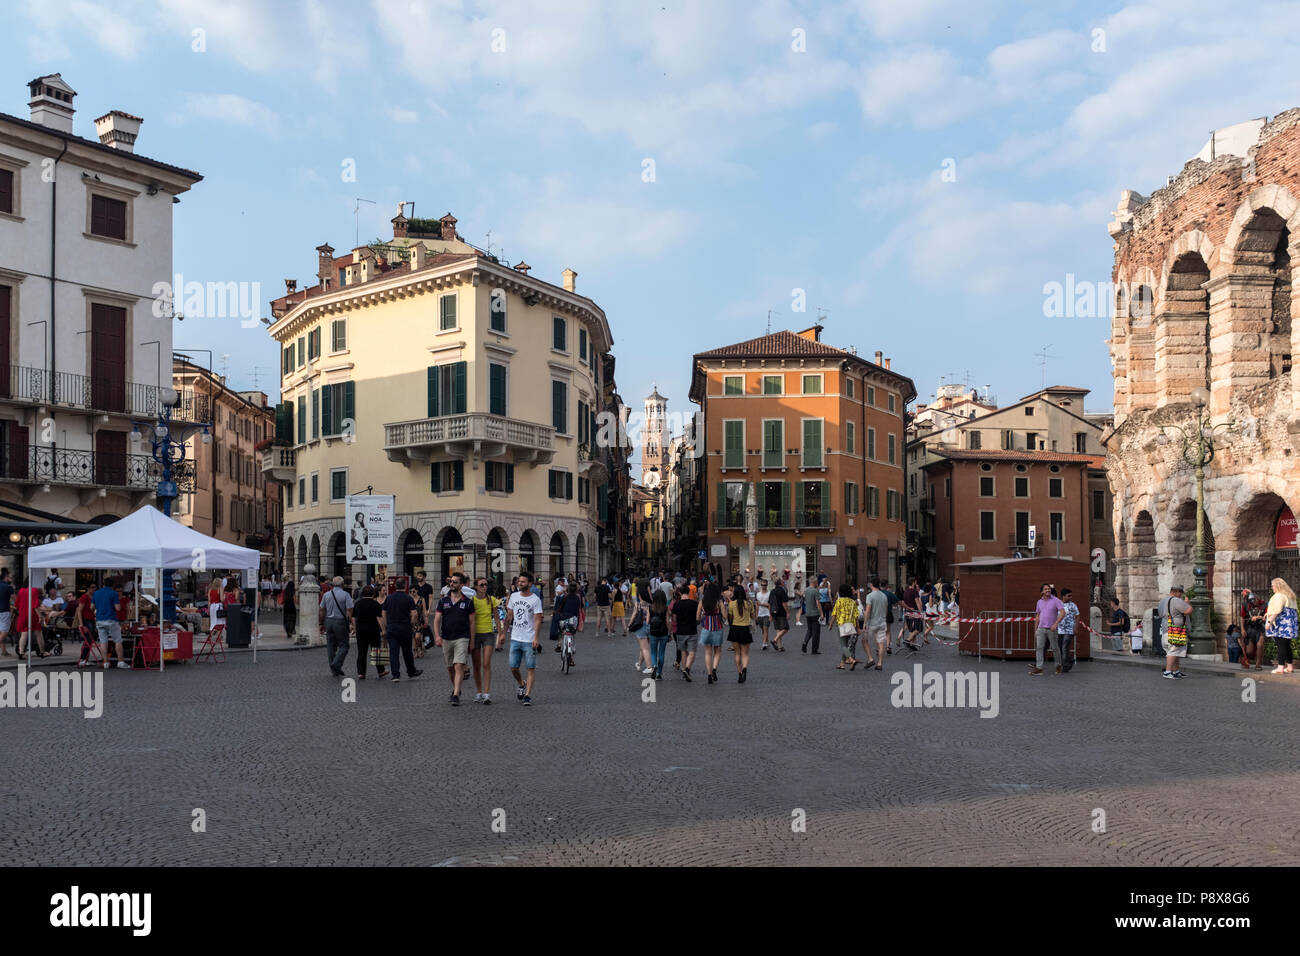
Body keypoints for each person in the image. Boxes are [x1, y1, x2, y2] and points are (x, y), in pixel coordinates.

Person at [434, 572, 474, 705]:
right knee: (450, 667)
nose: (452, 584)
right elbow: (437, 620)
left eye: (455, 582)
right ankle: (456, 688)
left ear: (461, 585)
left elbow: (472, 623)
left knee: (458, 665)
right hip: (446, 638)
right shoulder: (443, 601)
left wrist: (472, 641)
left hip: (462, 637)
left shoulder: (467, 602)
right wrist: (437, 636)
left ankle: (456, 694)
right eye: (451, 581)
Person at [505, 572, 544, 705]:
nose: (519, 583)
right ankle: (522, 683)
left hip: (529, 639)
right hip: (515, 637)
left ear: (530, 584)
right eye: (519, 581)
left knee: (530, 667)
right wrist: (503, 633)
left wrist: (536, 638)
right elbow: (509, 615)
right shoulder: (514, 597)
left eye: (522, 582)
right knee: (513, 667)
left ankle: (527, 695)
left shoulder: (535, 600)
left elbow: (538, 619)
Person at [379, 578, 421, 683]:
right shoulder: (408, 598)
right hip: (404, 627)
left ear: (395, 586)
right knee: (407, 651)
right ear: (405, 586)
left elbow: (383, 613)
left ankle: (395, 674)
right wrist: (411, 623)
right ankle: (411, 671)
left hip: (392, 627)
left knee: (394, 652)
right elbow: (414, 614)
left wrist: (385, 626)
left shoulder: (389, 598)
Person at [469, 576, 502, 704]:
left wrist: (500, 635)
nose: (484, 587)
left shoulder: (491, 600)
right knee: (476, 666)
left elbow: (497, 618)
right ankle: (479, 692)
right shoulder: (471, 601)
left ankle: (487, 693)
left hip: (488, 633)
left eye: (485, 585)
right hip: (475, 634)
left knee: (486, 663)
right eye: (481, 585)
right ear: (476, 586)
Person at [320, 575, 354, 677]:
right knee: (344, 645)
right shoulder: (345, 595)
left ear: (333, 584)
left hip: (328, 621)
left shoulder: (326, 595)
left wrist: (321, 623)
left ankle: (334, 669)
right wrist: (351, 622)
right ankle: (336, 664)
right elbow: (349, 610)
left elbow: (321, 610)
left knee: (330, 646)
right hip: (340, 622)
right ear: (342, 584)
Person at [90, 577, 127, 668]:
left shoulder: (96, 593)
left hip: (99, 619)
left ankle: (105, 662)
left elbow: (91, 607)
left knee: (103, 642)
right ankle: (120, 662)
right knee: (117, 641)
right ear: (113, 585)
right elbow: (117, 608)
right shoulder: (113, 593)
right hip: (111, 619)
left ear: (103, 584)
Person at [1030, 582, 1066, 676]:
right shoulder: (1039, 602)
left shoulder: (1056, 600)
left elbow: (1062, 612)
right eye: (1046, 589)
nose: (1048, 590)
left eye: (1049, 589)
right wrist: (1036, 629)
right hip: (1041, 628)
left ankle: (1058, 666)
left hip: (1052, 628)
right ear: (1042, 592)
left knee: (1055, 648)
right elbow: (1038, 616)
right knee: (1039, 648)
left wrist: (1056, 623)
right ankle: (1039, 668)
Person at [1158, 584, 1192, 679]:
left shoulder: (1162, 601)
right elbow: (1188, 610)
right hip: (1174, 630)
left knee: (1175, 651)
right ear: (1175, 592)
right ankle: (1168, 671)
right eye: (1180, 593)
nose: (1181, 595)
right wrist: (1187, 603)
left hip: (1165, 629)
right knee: (1173, 651)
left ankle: (1176, 671)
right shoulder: (1175, 600)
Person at [1265, 576, 1298, 674]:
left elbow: (1277, 610)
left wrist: (1269, 622)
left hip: (1281, 624)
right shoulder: (1290, 596)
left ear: (1278, 586)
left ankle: (1280, 667)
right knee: (1287, 645)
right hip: (1289, 624)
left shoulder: (1279, 595)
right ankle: (1290, 666)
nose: (1272, 587)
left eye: (1273, 585)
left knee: (1281, 646)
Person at [353, 586, 386, 679]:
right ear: (373, 594)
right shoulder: (375, 603)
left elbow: (354, 617)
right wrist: (383, 629)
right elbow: (379, 618)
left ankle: (361, 673)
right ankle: (381, 671)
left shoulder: (357, 603)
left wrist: (354, 628)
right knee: (376, 650)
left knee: (361, 652)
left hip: (361, 630)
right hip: (373, 629)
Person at [725, 582, 755, 683]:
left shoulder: (731, 604)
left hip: (734, 629)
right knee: (745, 654)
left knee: (737, 653)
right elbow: (753, 616)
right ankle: (745, 669)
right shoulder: (749, 603)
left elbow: (730, 618)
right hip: (745, 629)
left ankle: (739, 673)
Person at [697, 581, 726, 684]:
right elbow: (725, 616)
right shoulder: (719, 601)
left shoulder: (702, 601)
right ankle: (714, 669)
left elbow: (697, 617)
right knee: (717, 652)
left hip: (706, 628)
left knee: (708, 653)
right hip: (717, 628)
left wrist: (704, 616)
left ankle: (709, 675)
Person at [671, 584, 699, 681]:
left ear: (679, 592)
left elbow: (674, 619)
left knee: (683, 651)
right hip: (692, 630)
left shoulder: (676, 604)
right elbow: (698, 617)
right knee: (692, 652)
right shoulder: (694, 603)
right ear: (689, 592)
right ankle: (687, 669)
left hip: (680, 631)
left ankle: (684, 670)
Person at [16, 575, 47, 659]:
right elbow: (35, 605)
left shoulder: (21, 590)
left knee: (24, 633)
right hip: (32, 614)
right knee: (38, 633)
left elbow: (17, 604)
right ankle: (42, 652)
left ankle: (21, 652)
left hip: (22, 614)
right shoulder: (34, 590)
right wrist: (40, 616)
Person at [831, 584, 861, 670]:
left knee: (843, 646)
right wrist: (858, 628)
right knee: (846, 645)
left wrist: (830, 625)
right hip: (851, 625)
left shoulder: (839, 601)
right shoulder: (852, 601)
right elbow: (856, 616)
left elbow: (834, 614)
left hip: (841, 625)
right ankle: (842, 663)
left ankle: (851, 659)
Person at [863, 578, 889, 670]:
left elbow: (868, 610)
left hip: (872, 623)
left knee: (864, 640)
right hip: (882, 622)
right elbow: (886, 610)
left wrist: (865, 623)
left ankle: (870, 659)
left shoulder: (870, 596)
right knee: (881, 643)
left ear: (871, 585)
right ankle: (880, 663)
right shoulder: (884, 596)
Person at [630, 578, 653, 675]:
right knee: (644, 647)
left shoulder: (638, 604)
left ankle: (649, 667)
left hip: (641, 626)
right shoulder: (651, 603)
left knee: (644, 648)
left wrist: (629, 625)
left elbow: (634, 615)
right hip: (650, 625)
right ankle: (639, 663)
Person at [1241, 588, 1265, 670]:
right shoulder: (1245, 604)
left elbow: (1268, 616)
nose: (1253, 603)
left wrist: (1258, 617)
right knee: (1249, 651)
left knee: (1259, 645)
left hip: (1261, 627)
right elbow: (1242, 617)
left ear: (1257, 599)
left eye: (1254, 601)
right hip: (1250, 628)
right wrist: (1242, 629)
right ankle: (1246, 659)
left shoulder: (1264, 604)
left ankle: (1258, 664)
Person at [1057, 587, 1079, 672]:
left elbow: (1077, 616)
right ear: (1063, 596)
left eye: (1071, 596)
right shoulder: (1058, 604)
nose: (1070, 597)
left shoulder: (1073, 605)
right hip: (1059, 630)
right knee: (1060, 648)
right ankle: (1069, 660)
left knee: (1065, 647)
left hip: (1069, 630)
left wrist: (1076, 628)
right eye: (1068, 596)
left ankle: (1065, 666)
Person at [769, 576, 789, 652]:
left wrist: (770, 613)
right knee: (785, 628)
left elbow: (770, 603)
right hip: (781, 612)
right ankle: (774, 640)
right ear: (780, 583)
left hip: (773, 612)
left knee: (778, 629)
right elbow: (784, 603)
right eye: (782, 581)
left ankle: (780, 647)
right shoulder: (782, 591)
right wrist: (787, 612)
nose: (783, 582)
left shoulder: (772, 591)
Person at [801, 580, 822, 654]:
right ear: (814, 582)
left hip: (808, 613)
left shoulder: (806, 590)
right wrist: (821, 613)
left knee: (809, 630)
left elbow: (803, 599)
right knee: (816, 632)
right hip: (815, 613)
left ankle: (805, 642)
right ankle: (814, 649)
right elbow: (818, 603)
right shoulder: (815, 591)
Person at [0, 568, 13, 657]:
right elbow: (15, 599)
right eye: (10, 577)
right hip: (4, 611)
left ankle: (4, 651)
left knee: (1, 632)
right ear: (6, 577)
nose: (11, 578)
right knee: (5, 632)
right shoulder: (8, 587)